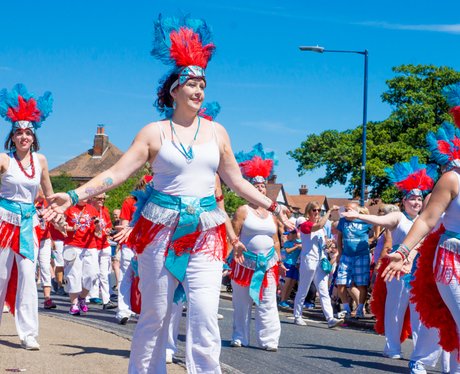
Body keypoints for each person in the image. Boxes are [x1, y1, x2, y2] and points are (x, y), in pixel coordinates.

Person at [45, 14, 292, 373]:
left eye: (203, 84)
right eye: (191, 83)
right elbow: (116, 172)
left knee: (206, 315)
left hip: (205, 231)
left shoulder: (218, 132)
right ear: (174, 89)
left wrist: (274, 206)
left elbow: (236, 181)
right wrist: (73, 196)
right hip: (161, 229)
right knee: (156, 315)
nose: (198, 90)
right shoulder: (154, 132)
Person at [383, 88, 460, 373]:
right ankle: (421, 359)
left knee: (452, 321)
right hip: (451, 260)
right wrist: (403, 251)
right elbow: (427, 220)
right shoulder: (452, 179)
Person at [343, 157, 443, 373]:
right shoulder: (399, 217)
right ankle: (392, 346)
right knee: (395, 309)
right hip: (396, 269)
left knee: (420, 312)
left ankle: (419, 350)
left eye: (419, 199)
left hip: (420, 270)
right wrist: (361, 218)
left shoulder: (428, 217)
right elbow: (382, 222)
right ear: (404, 200)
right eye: (411, 198)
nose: (416, 202)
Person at [0, 83, 54, 350]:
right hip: (3, 221)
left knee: (27, 275)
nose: (23, 137)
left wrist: (58, 215)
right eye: (18, 132)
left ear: (34, 136)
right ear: (12, 136)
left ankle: (28, 333)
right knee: (0, 275)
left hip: (28, 224)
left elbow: (49, 194)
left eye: (27, 132)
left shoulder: (41, 161)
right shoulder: (3, 160)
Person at [229, 144, 282, 351]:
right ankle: (239, 336)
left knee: (268, 301)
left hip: (268, 263)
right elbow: (232, 235)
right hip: (244, 262)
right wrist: (227, 259)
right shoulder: (242, 211)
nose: (260, 190)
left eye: (262, 188)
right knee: (242, 303)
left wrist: (279, 259)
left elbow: (276, 239)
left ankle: (269, 340)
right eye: (256, 187)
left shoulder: (272, 214)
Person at [293, 202, 344, 328]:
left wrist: (328, 244)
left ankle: (330, 318)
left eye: (319, 210)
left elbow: (323, 242)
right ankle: (297, 315)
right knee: (303, 289)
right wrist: (329, 211)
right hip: (308, 260)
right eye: (314, 210)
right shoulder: (302, 221)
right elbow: (318, 225)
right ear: (309, 211)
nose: (317, 212)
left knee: (324, 291)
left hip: (320, 261)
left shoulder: (320, 228)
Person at [62, 198, 100, 315]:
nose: (84, 198)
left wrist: (98, 226)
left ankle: (82, 297)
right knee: (73, 274)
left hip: (90, 246)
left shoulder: (93, 210)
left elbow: (97, 233)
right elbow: (60, 226)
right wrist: (70, 228)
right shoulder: (69, 209)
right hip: (72, 245)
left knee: (93, 274)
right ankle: (73, 304)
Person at [336, 202, 372, 319]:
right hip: (346, 256)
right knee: (340, 282)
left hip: (362, 256)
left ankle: (360, 308)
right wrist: (339, 253)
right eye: (345, 209)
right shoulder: (342, 221)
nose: (346, 211)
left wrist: (368, 241)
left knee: (362, 283)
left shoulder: (365, 221)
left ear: (357, 211)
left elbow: (376, 231)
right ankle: (346, 309)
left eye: (349, 209)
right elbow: (339, 238)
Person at [88, 193, 117, 309]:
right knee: (93, 272)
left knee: (105, 274)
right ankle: (92, 295)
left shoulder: (105, 211)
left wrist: (109, 231)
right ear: (93, 199)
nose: (102, 200)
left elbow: (108, 226)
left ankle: (106, 300)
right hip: (93, 245)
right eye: (99, 198)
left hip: (104, 244)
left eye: (103, 199)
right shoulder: (89, 210)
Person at [278, 228, 301, 308]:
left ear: (294, 234)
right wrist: (297, 247)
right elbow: (287, 251)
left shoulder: (300, 242)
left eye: (289, 234)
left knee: (291, 283)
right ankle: (282, 300)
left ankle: (285, 300)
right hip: (288, 264)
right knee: (287, 283)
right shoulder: (287, 243)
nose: (287, 236)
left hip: (295, 265)